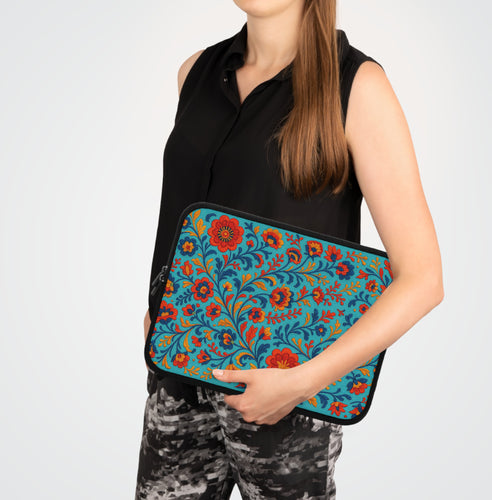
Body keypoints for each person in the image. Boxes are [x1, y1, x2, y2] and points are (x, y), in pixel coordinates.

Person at [135, 1, 444, 498]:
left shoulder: (357, 86)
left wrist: (302, 382)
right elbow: (190, 214)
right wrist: (160, 304)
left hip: (288, 397)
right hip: (179, 373)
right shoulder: (195, 73)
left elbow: (423, 279)